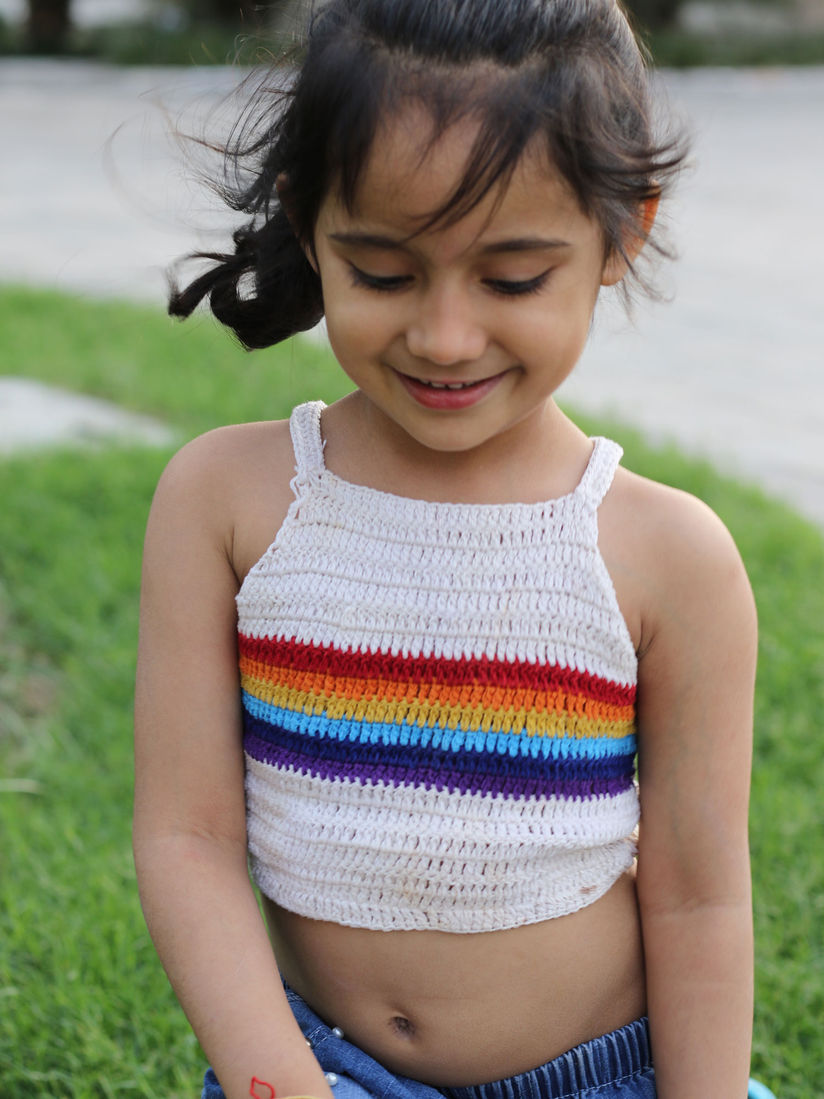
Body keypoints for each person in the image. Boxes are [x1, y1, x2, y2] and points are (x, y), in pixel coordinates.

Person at [133, 2, 758, 1097]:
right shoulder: (226, 503)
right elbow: (186, 837)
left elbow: (698, 895)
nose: (444, 337)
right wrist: (278, 1081)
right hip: (316, 1071)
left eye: (511, 279)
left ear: (623, 232)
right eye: (381, 273)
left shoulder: (666, 555)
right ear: (306, 222)